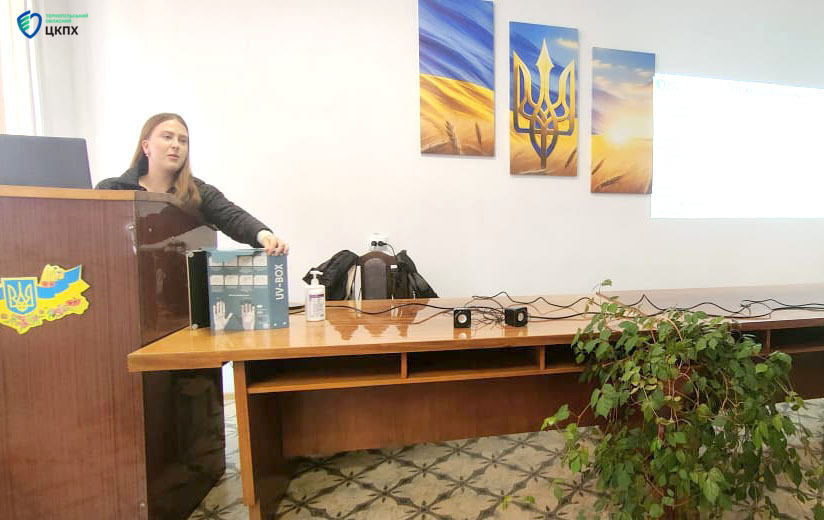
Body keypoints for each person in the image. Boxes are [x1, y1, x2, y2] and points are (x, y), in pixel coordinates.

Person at [96, 113, 288, 255]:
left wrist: (264, 236)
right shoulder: (112, 190)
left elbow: (232, 216)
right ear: (146, 146)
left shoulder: (198, 192)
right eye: (167, 137)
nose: (176, 145)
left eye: (183, 141)